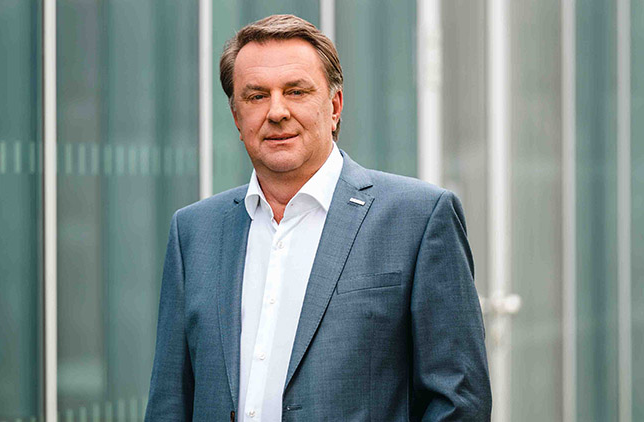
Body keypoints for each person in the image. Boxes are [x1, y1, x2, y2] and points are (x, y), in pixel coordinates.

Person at [145, 14, 491, 421]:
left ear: (334, 106)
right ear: (237, 119)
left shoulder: (418, 218)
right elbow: (169, 403)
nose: (277, 111)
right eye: (256, 96)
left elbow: (458, 402)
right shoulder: (194, 232)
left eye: (296, 91)